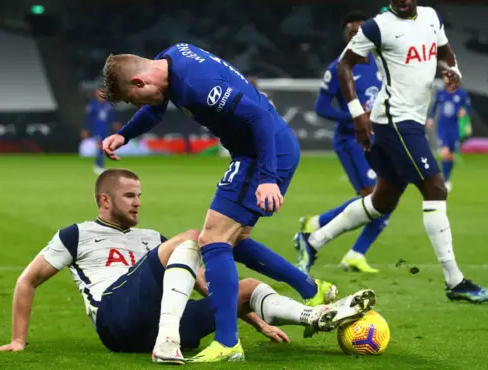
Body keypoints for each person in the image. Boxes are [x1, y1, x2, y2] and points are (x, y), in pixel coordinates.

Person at [97, 44, 339, 362]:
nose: (134, 104)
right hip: (260, 150)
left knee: (212, 240)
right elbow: (155, 107)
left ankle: (227, 342)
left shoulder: (199, 86)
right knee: (235, 240)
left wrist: (267, 177)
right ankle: (312, 290)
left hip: (262, 152)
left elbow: (258, 117)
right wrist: (126, 135)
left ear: (140, 82)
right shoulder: (173, 58)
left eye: (131, 99)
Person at [0, 168, 375, 365]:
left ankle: (315, 314)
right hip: (114, 318)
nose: (137, 202)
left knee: (244, 286)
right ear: (104, 200)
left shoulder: (152, 237)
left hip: (156, 322)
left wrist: (253, 318)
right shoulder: (77, 234)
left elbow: (202, 283)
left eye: (139, 195)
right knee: (200, 235)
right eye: (129, 196)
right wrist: (20, 340)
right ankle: (308, 285)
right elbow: (28, 280)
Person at [295, 0, 488, 303]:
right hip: (394, 122)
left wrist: (453, 70)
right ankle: (455, 281)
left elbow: (445, 52)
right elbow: (344, 64)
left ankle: (312, 241)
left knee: (382, 200)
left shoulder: (431, 18)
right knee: (434, 187)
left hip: (410, 122)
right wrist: (358, 113)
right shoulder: (379, 26)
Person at [295, 11, 391, 274]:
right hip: (352, 140)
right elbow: (321, 107)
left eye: (360, 32)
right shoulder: (337, 67)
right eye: (351, 33)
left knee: (387, 197)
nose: (356, 37)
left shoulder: (381, 62)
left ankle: (347, 248)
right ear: (345, 37)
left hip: (380, 138)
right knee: (374, 197)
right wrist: (354, 118)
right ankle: (321, 232)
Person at [426, 85, 472, 192]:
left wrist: (465, 112)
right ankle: (444, 180)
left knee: (451, 155)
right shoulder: (441, 92)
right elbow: (434, 106)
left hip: (454, 127)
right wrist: (431, 118)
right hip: (442, 126)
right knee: (445, 152)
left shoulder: (462, 93)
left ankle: (447, 178)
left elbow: (468, 107)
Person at [81, 91, 121, 174]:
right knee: (101, 146)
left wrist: (115, 124)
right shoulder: (92, 105)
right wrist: (85, 129)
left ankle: (97, 164)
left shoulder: (108, 105)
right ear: (96, 94)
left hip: (105, 129)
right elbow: (88, 118)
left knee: (104, 147)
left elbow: (112, 117)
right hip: (96, 129)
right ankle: (100, 165)